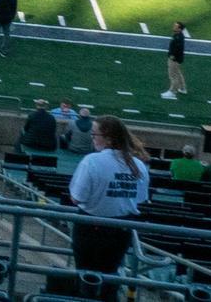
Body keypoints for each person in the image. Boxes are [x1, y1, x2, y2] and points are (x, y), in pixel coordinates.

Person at [69, 116, 150, 296]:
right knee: (110, 275)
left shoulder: (92, 161)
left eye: (94, 134)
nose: (92, 138)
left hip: (89, 227)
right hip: (121, 229)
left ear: (108, 139)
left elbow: (76, 198)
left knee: (85, 277)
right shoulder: (139, 165)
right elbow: (140, 198)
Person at [163, 21, 187, 99]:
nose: (174, 27)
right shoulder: (178, 35)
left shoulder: (178, 37)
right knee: (178, 73)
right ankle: (183, 88)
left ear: (180, 29)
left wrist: (172, 56)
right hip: (177, 58)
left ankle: (172, 91)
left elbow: (177, 48)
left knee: (173, 75)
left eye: (176, 26)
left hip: (175, 59)